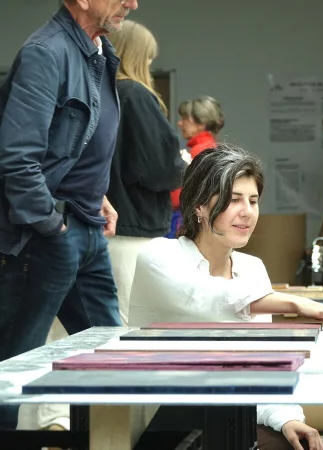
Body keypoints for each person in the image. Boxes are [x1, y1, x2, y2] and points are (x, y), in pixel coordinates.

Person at [129, 144, 323, 450]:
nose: (247, 212)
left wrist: (286, 419)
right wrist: (295, 302)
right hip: (165, 420)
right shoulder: (159, 255)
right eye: (233, 200)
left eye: (253, 201)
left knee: (291, 442)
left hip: (231, 417)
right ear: (199, 206)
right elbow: (207, 297)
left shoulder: (252, 269)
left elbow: (261, 369)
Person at [0, 0, 139, 430]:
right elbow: (18, 159)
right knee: (11, 372)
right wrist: (53, 226)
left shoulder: (99, 53)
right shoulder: (46, 53)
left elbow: (74, 146)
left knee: (111, 357)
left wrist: (97, 194)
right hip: (45, 235)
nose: (132, 3)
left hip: (85, 228)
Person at [106, 20, 184, 326]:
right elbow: (160, 168)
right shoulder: (135, 94)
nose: (150, 65)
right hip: (132, 231)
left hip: (105, 227)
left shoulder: (103, 93)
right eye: (149, 57)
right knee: (129, 326)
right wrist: (183, 166)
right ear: (136, 55)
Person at [166, 96, 226, 238]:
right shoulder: (211, 148)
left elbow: (182, 195)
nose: (180, 123)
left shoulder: (201, 151)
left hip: (183, 219)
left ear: (201, 122)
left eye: (185, 118)